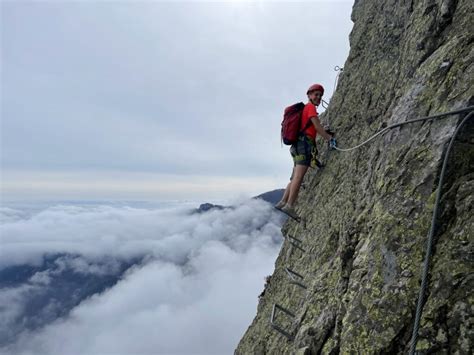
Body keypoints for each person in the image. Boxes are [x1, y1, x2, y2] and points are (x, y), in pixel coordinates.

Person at [275, 84, 337, 220]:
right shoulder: (310, 108)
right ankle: (290, 205)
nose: (318, 97)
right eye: (316, 94)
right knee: (299, 177)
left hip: (297, 146)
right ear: (309, 95)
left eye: (320, 95)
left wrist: (322, 130)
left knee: (294, 177)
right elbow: (317, 126)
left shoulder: (305, 110)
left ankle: (283, 201)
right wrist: (329, 138)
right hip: (304, 145)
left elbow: (312, 127)